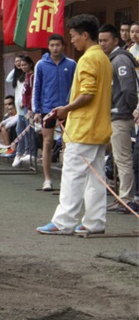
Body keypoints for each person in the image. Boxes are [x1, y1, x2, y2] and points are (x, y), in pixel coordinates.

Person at [37, 15, 113, 236]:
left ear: (85, 35)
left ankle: (64, 221)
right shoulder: (103, 58)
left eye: (73, 36)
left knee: (73, 175)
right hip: (98, 127)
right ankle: (95, 221)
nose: (72, 41)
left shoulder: (88, 59)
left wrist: (65, 109)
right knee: (96, 177)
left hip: (84, 128)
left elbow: (88, 93)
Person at [97, 25, 139, 213]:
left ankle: (126, 199)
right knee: (118, 158)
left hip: (121, 115)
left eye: (105, 40)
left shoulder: (120, 59)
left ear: (116, 40)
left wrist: (129, 109)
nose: (102, 44)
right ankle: (122, 197)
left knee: (123, 159)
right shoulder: (111, 59)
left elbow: (129, 89)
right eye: (100, 41)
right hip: (116, 115)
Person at [32, 34, 76, 191]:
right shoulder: (41, 65)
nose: (55, 48)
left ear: (63, 46)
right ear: (48, 47)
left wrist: (72, 105)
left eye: (58, 45)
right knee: (47, 142)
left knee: (67, 144)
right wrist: (36, 110)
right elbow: (36, 88)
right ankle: (47, 179)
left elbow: (76, 86)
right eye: (52, 45)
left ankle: (67, 180)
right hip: (47, 109)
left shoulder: (71, 64)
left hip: (67, 109)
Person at [12, 55, 35, 168]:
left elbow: (32, 93)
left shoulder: (32, 76)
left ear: (30, 64)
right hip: (24, 107)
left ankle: (30, 152)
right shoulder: (25, 75)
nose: (23, 67)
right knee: (20, 129)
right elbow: (24, 92)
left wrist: (30, 107)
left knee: (28, 130)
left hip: (29, 108)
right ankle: (21, 152)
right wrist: (23, 102)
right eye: (21, 65)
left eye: (25, 64)